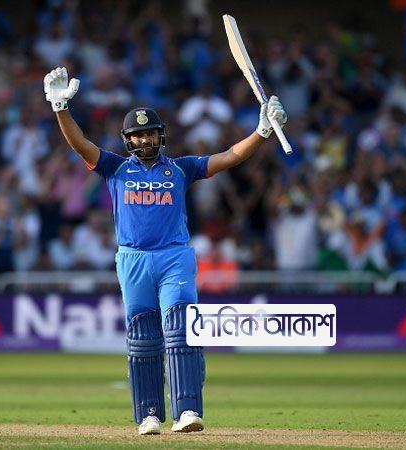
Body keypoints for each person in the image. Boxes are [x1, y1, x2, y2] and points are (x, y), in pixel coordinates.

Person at [43, 67, 286, 435]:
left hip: (174, 257)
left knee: (181, 328)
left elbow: (228, 156)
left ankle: (187, 411)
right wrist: (60, 108)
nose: (145, 140)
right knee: (143, 337)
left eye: (150, 133)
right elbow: (80, 144)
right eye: (138, 135)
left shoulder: (181, 169)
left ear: (160, 135)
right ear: (128, 140)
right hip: (133, 260)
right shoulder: (114, 168)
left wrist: (262, 132)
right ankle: (149, 415)